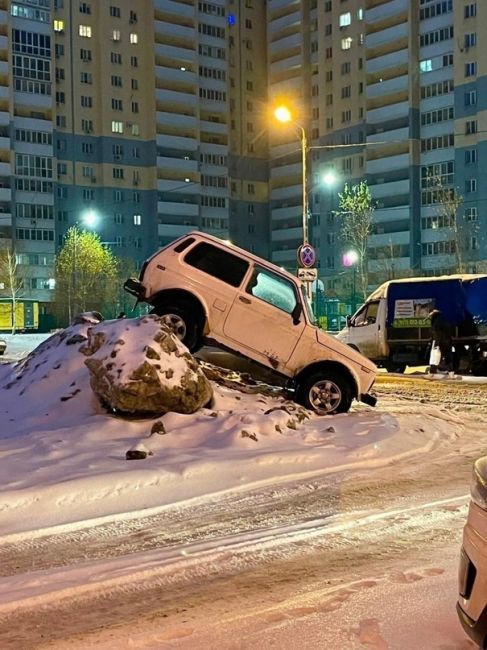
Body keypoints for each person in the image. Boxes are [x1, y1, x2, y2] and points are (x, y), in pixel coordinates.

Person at [429, 309, 454, 373]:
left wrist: (436, 342)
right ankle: (451, 372)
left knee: (434, 357)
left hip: (439, 341)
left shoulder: (436, 321)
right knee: (448, 357)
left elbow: (437, 332)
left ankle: (432, 372)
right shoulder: (446, 320)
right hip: (447, 340)